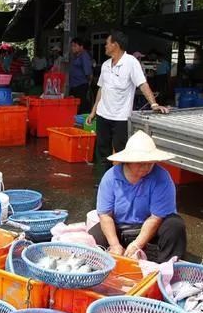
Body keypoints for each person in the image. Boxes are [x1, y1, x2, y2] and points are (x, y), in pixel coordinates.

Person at [88, 130, 186, 263]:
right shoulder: (111, 177)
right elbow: (105, 215)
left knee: (175, 225)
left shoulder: (162, 177)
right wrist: (115, 245)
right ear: (128, 161)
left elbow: (156, 218)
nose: (146, 167)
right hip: (120, 227)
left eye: (150, 163)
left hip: (151, 229)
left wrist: (137, 244)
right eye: (141, 163)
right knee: (95, 236)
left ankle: (167, 269)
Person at [86, 31, 168, 173]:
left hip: (120, 117)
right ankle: (106, 178)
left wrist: (154, 104)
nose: (105, 46)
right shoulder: (105, 65)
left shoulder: (131, 62)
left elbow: (142, 84)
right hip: (103, 114)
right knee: (103, 149)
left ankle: (121, 179)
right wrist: (93, 112)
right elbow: (101, 89)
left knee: (121, 150)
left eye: (107, 43)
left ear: (115, 45)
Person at [69, 37, 93, 114]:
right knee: (74, 105)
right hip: (74, 86)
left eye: (75, 46)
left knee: (82, 106)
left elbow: (88, 73)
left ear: (81, 47)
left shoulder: (84, 56)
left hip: (81, 85)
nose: (72, 48)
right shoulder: (75, 57)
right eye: (72, 46)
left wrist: (87, 85)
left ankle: (84, 122)